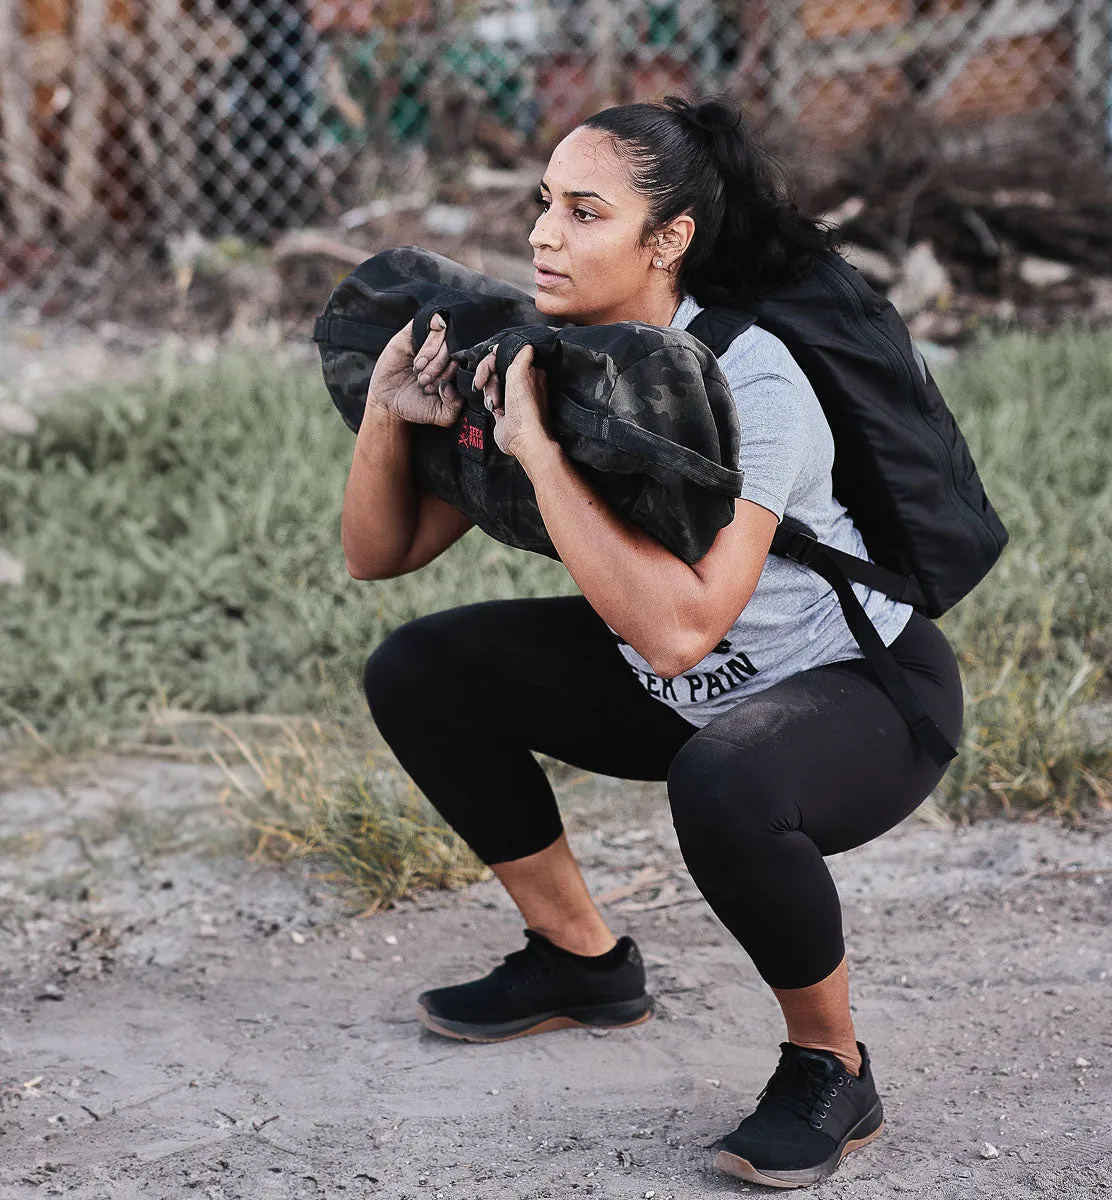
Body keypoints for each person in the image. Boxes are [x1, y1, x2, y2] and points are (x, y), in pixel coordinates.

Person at [340, 95, 964, 1190]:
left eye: (585, 212)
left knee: (725, 780)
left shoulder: (755, 376)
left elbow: (682, 628)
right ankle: (580, 962)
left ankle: (832, 1063)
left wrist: (538, 452)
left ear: (667, 238)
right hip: (683, 687)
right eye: (545, 205)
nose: (544, 233)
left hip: (858, 690)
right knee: (422, 671)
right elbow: (381, 555)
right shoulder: (557, 353)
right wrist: (393, 417)